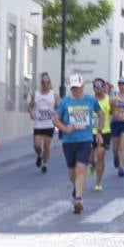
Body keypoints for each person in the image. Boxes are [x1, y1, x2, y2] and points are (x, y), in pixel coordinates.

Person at [51, 74, 100, 214]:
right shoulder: (65, 102)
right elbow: (56, 119)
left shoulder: (90, 100)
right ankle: (76, 189)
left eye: (77, 88)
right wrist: (65, 128)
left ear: (83, 86)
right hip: (69, 141)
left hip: (85, 140)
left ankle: (78, 199)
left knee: (80, 168)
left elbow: (101, 114)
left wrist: (99, 131)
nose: (75, 90)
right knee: (72, 171)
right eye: (73, 88)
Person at [28, 73, 57, 173]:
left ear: (49, 83)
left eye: (47, 83)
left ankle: (44, 164)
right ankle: (39, 155)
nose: (45, 85)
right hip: (38, 124)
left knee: (46, 146)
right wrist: (31, 113)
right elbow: (30, 107)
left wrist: (56, 113)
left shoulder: (54, 95)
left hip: (49, 124)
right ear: (41, 84)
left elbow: (60, 107)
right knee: (36, 145)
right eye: (43, 83)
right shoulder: (36, 94)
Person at [91, 78, 114, 191]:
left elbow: (114, 112)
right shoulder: (89, 100)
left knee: (100, 156)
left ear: (104, 87)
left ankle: (98, 181)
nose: (98, 90)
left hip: (104, 131)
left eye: (100, 87)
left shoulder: (109, 100)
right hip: (90, 132)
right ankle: (91, 164)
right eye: (96, 87)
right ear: (93, 88)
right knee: (90, 158)